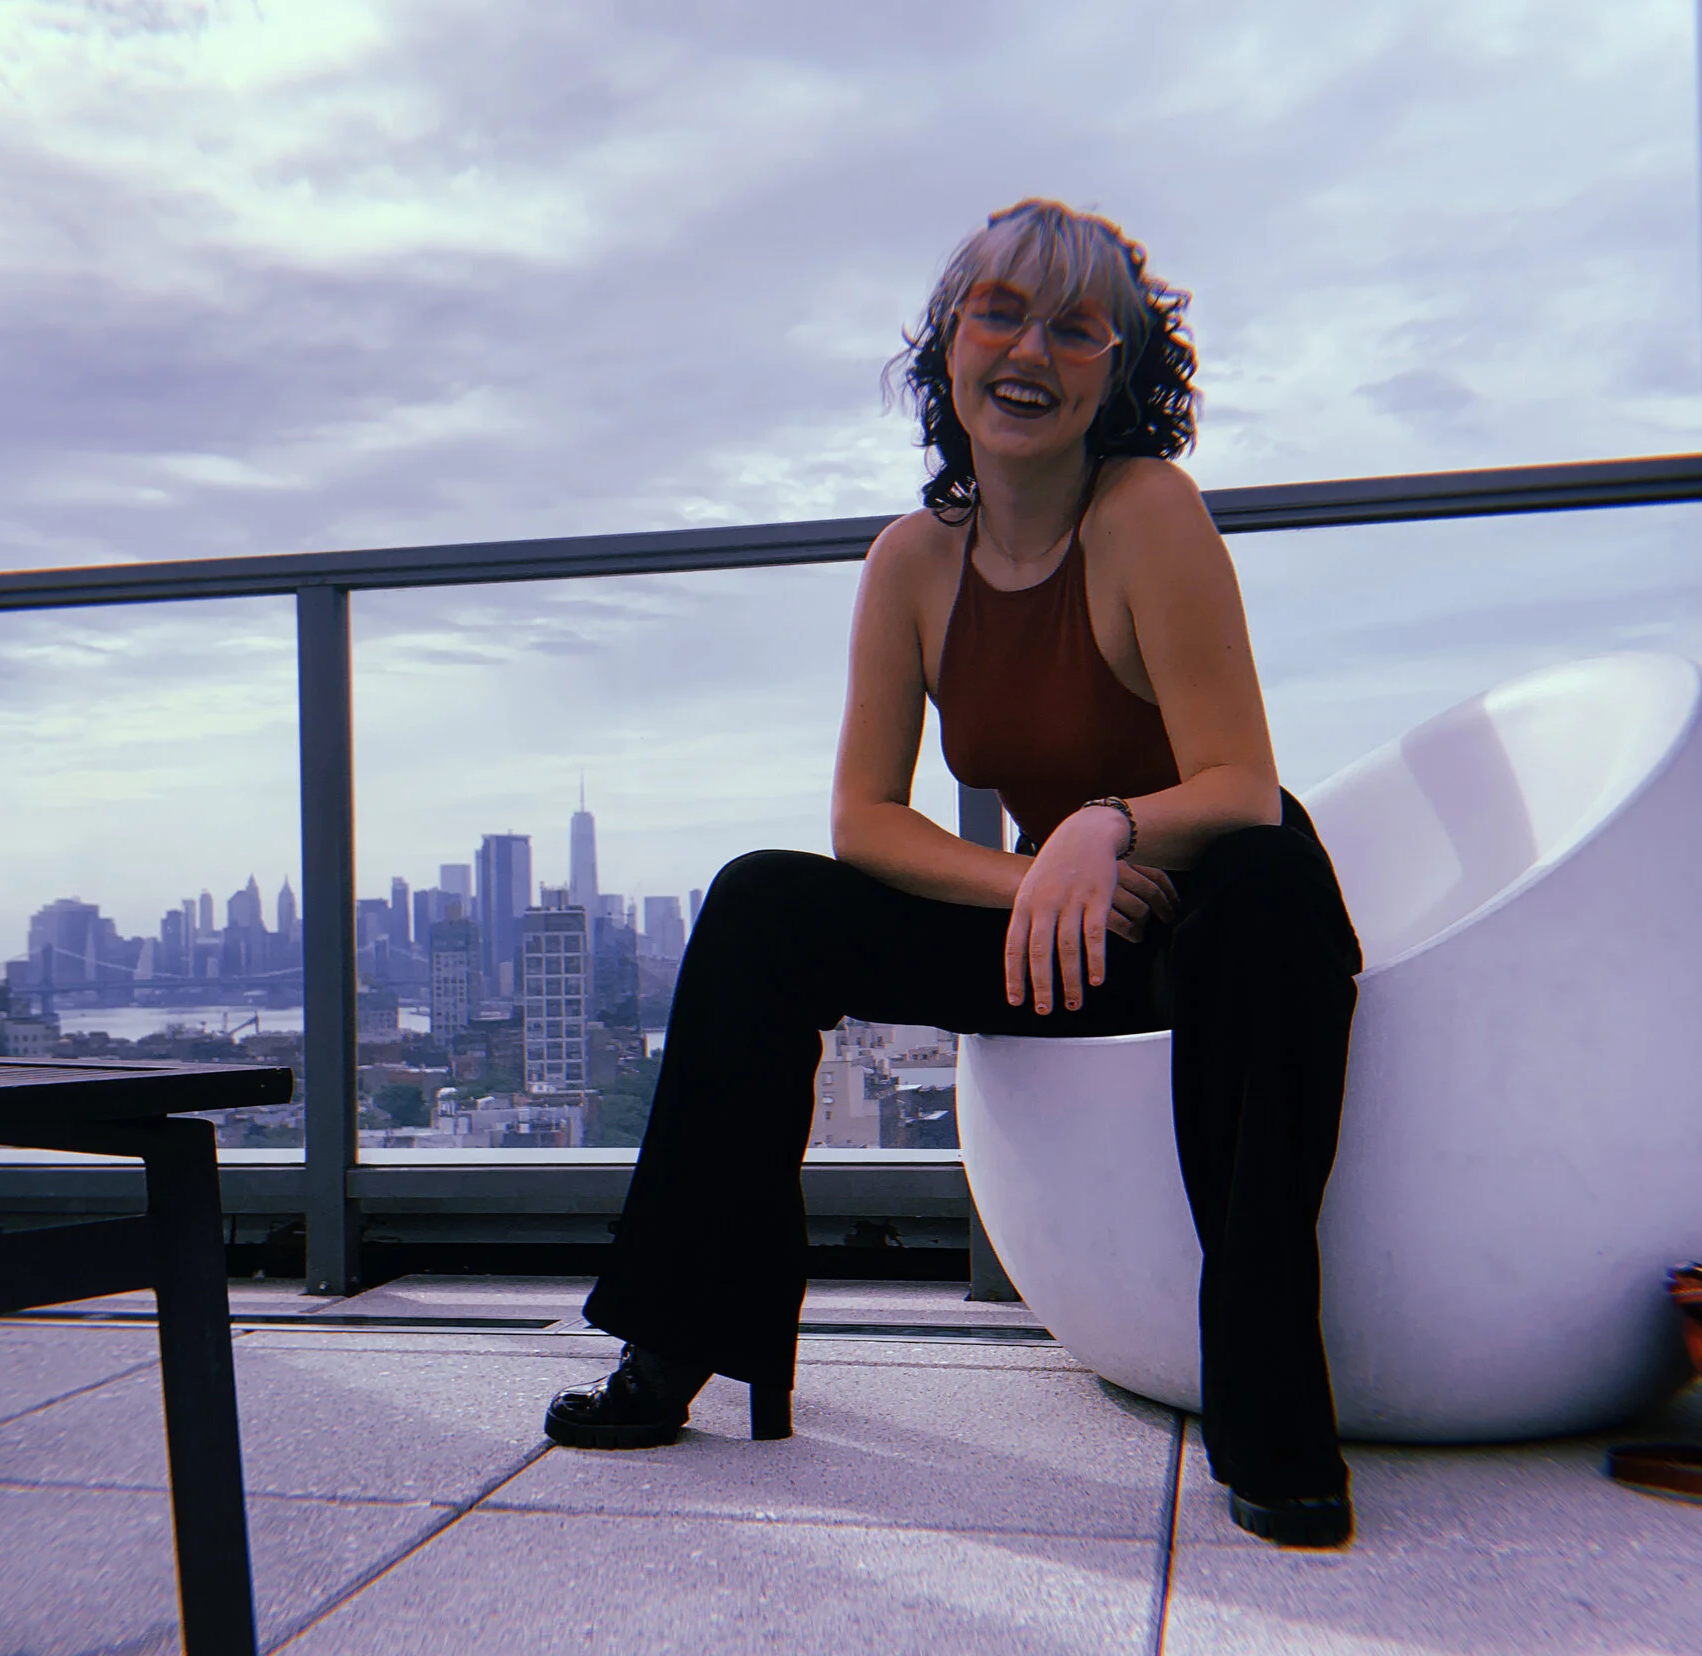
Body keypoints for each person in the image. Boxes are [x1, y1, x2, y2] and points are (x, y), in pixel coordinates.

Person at [544, 200, 1364, 1548]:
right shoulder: (913, 563)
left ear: (1118, 373)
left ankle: (1274, 1412)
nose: (1031, 349)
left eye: (1076, 328)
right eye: (1001, 314)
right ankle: (680, 1339)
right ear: (949, 344)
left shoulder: (1147, 512)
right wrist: (1033, 881)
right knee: (761, 905)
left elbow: (1239, 785)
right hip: (1062, 921)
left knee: (1267, 885)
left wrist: (1103, 829)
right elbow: (866, 820)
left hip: (1207, 908)